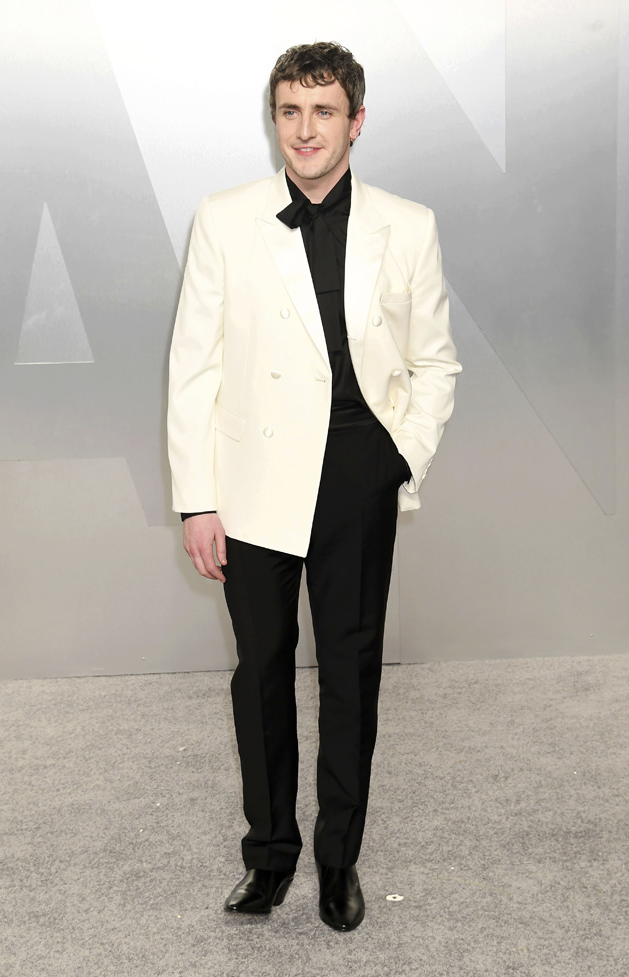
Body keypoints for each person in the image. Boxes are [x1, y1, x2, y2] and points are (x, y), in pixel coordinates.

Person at [167, 41, 461, 931]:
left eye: (324, 111)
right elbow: (193, 367)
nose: (305, 129)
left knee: (349, 671)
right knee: (260, 671)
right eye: (291, 111)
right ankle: (269, 857)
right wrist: (197, 498)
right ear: (274, 120)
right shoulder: (224, 218)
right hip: (252, 477)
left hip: (356, 474)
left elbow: (435, 363)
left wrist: (400, 455)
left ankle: (339, 859)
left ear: (355, 122)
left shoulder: (408, 225)